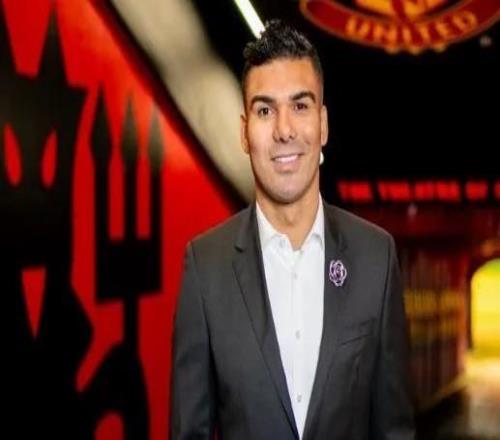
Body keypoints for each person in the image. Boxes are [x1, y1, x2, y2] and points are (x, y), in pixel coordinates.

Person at [170, 20, 415, 440]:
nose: (284, 130)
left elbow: (395, 430)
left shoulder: (375, 257)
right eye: (265, 111)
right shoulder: (205, 268)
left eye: (300, 106)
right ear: (244, 131)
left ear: (323, 124)